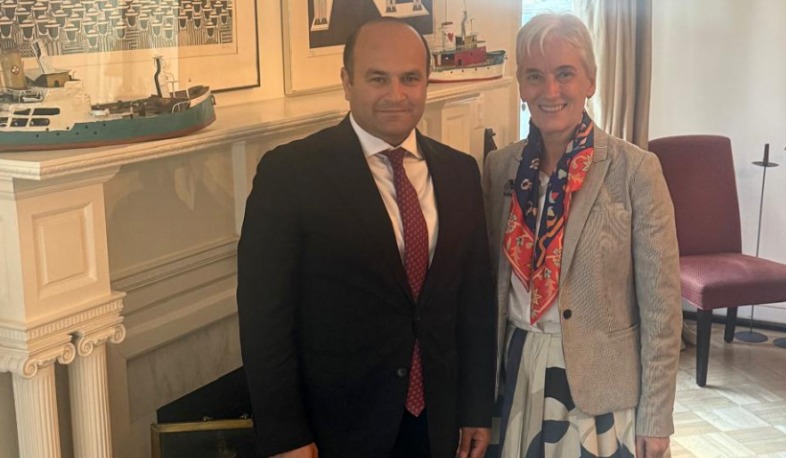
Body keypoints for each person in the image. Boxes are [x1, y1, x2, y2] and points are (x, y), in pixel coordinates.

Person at [237, 18, 495, 458]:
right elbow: (264, 320)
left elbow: (475, 303)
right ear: (347, 82)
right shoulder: (290, 174)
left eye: (410, 78)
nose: (396, 95)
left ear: (426, 82)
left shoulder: (461, 172)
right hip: (336, 430)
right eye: (378, 79)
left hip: (437, 422)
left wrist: (476, 408)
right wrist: (285, 435)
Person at [484, 14, 682, 458]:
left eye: (565, 74)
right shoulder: (499, 169)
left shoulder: (636, 171)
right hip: (514, 374)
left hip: (601, 394)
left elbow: (662, 309)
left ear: (590, 81)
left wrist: (657, 418)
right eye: (535, 76)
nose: (550, 91)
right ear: (521, 86)